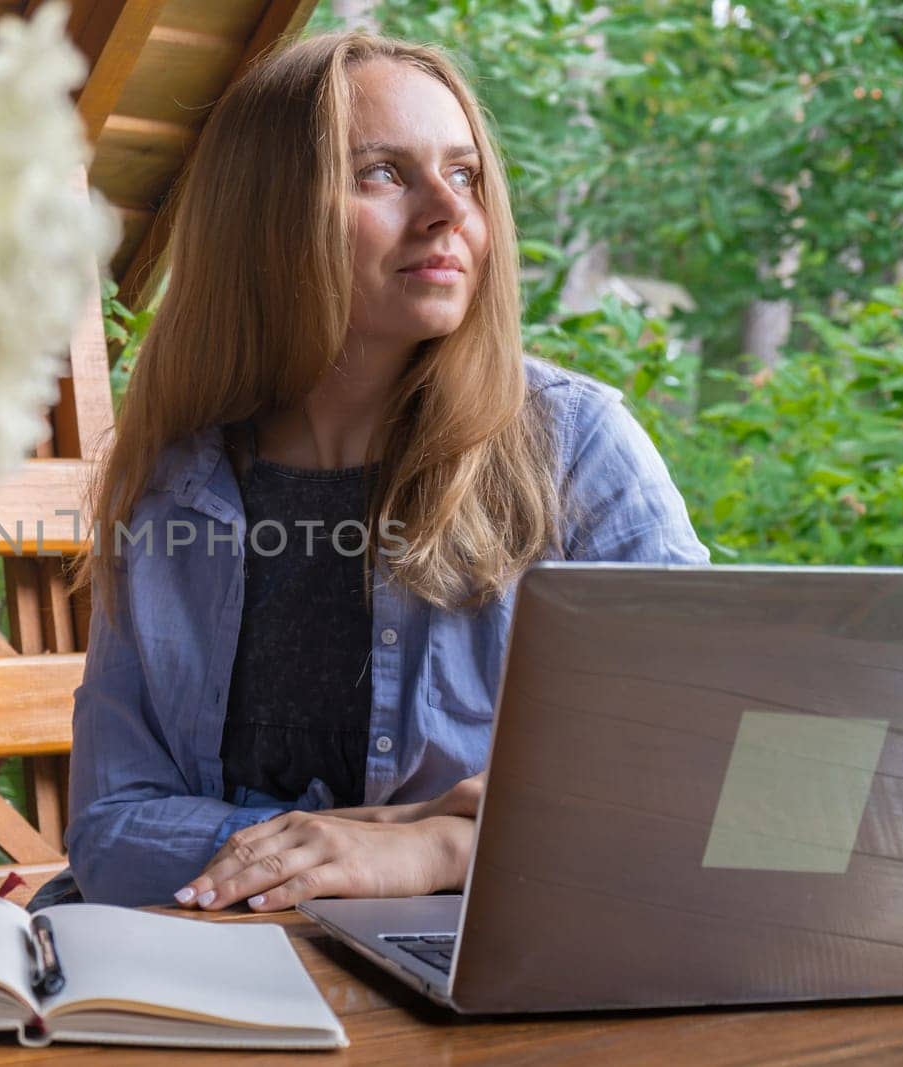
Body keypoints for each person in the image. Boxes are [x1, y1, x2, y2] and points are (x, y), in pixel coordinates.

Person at [55, 31, 708, 912]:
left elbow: (698, 778)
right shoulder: (173, 481)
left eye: (466, 174)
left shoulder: (579, 449)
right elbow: (112, 830)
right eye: (384, 173)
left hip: (464, 979)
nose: (449, 210)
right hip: (209, 968)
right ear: (267, 215)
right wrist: (371, 844)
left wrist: (437, 850)